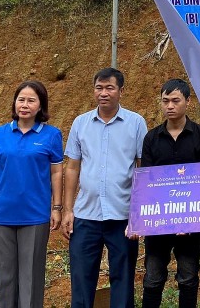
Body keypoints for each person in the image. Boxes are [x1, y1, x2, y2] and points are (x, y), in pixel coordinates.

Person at [62, 68, 147, 308]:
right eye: (99, 87)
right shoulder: (81, 123)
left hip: (123, 215)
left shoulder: (136, 123)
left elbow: (142, 169)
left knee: (123, 278)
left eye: (109, 88)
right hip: (86, 215)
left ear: (121, 91)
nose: (104, 93)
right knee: (81, 278)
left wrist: (138, 214)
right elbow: (72, 168)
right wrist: (68, 210)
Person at [0, 80, 64, 308]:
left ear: (40, 105)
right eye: (21, 99)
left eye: (31, 100)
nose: (25, 105)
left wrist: (57, 207)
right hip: (1, 215)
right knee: (5, 277)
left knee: (31, 277)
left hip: (35, 216)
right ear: (14, 103)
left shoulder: (52, 135)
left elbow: (56, 173)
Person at [140, 78, 200, 308]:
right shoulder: (151, 138)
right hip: (157, 222)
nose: (169, 106)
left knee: (188, 277)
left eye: (175, 100)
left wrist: (188, 220)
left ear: (188, 102)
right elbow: (147, 181)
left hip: (190, 224)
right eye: (165, 101)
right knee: (152, 279)